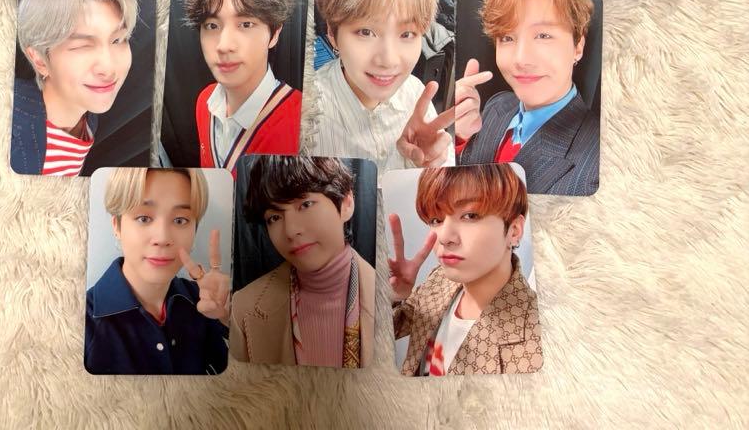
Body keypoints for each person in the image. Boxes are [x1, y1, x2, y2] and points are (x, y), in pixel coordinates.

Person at [389, 164, 542, 376]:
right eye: (436, 220)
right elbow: (390, 329)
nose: (444, 237)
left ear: (514, 231)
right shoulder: (439, 279)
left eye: (470, 215)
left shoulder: (535, 342)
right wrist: (394, 296)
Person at [230, 156, 375, 368]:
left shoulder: (390, 296)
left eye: (305, 205)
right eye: (274, 217)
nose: (290, 230)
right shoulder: (243, 308)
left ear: (346, 203)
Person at [85, 167, 230, 374]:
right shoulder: (82, 322)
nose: (162, 238)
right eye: (144, 218)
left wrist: (229, 318)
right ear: (117, 225)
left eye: (180, 220)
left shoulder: (206, 301)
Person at [455, 0, 599, 195]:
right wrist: (460, 139)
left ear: (578, 46)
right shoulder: (498, 104)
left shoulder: (597, 168)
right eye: (507, 37)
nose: (520, 60)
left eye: (543, 35)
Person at [308, 0, 455, 179]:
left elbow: (446, 172)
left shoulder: (416, 92)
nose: (388, 61)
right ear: (332, 32)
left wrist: (428, 167)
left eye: (407, 34)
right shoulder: (305, 113)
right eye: (366, 32)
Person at [11, 0, 138, 176]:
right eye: (82, 46)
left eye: (118, 40)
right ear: (40, 60)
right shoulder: (8, 131)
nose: (109, 68)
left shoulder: (88, 118)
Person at [186, 0, 302, 170]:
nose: (224, 45)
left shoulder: (303, 120)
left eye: (246, 24)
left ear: (274, 34)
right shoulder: (205, 101)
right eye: (212, 26)